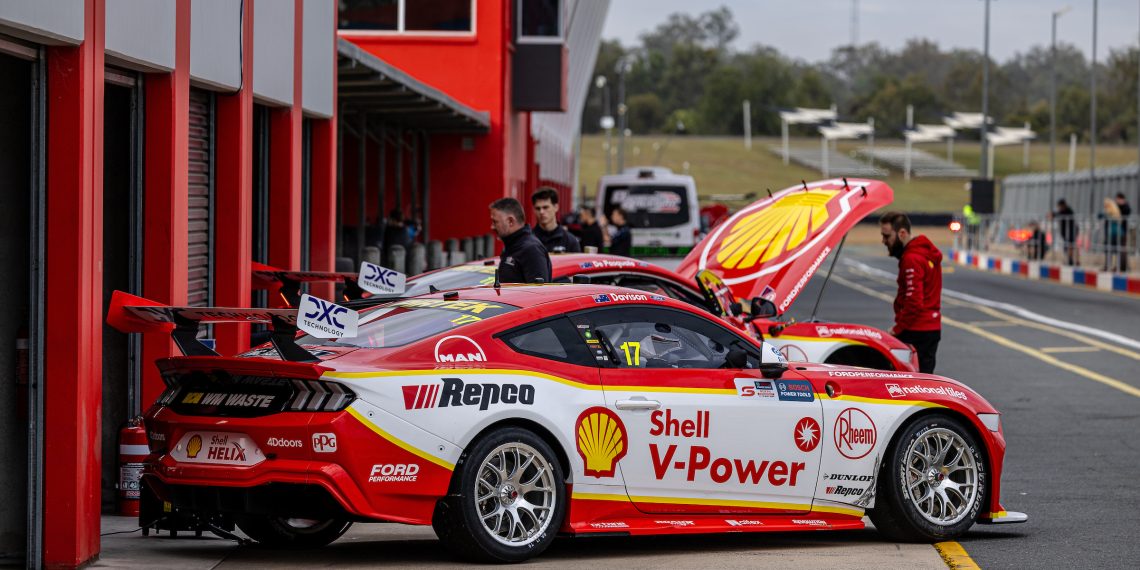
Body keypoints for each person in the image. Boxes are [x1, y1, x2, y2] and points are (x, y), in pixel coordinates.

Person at [880, 212, 942, 374]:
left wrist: (897, 329)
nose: (884, 241)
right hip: (930, 328)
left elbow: (914, 301)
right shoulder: (924, 253)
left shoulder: (912, 258)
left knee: (908, 381)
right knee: (925, 378)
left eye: (887, 236)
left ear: (902, 234)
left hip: (916, 330)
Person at [490, 197, 552, 284]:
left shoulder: (531, 250)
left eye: (495, 222)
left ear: (510, 221)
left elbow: (539, 294)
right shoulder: (512, 246)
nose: (492, 227)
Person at [530, 187, 581, 253]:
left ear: (556, 207)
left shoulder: (570, 241)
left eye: (545, 207)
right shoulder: (528, 239)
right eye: (538, 208)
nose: (541, 212)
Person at [1099, 198, 1122, 272]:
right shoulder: (1115, 211)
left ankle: (1110, 266)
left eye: (1105, 205)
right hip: (1114, 233)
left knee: (1110, 250)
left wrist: (1104, 214)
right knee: (1113, 250)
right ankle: (1113, 266)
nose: (1104, 206)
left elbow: (1100, 216)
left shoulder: (1110, 211)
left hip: (1112, 234)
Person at [1053, 199, 1078, 266]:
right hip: (1066, 232)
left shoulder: (1068, 211)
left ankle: (1071, 260)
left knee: (1070, 245)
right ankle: (1069, 260)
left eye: (1060, 206)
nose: (1059, 208)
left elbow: (1060, 214)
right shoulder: (1063, 211)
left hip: (1071, 231)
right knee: (1067, 246)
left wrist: (1054, 214)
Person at [1115, 192, 1131, 272]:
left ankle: (1124, 267)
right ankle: (1117, 265)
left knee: (1123, 249)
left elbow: (1126, 212)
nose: (1117, 201)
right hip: (1115, 232)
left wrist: (1120, 205)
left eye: (1118, 199)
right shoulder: (1116, 206)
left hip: (1123, 231)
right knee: (1115, 249)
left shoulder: (1126, 206)